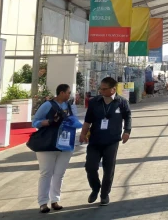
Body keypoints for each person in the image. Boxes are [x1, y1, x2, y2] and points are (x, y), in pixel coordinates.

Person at [80, 77, 132, 206]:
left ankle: (104, 195)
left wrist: (127, 131)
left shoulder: (122, 102)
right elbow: (87, 120)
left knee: (108, 169)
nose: (101, 91)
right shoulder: (94, 102)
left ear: (113, 89)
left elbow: (128, 116)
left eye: (104, 89)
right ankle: (95, 188)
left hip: (112, 141)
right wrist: (83, 133)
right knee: (90, 167)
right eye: (100, 88)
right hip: (95, 140)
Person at [31, 84, 74, 213]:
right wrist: (49, 122)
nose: (69, 95)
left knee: (59, 173)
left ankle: (55, 200)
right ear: (61, 93)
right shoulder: (47, 105)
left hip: (66, 143)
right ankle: (43, 202)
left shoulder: (70, 106)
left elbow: (75, 120)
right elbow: (35, 122)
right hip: (48, 143)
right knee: (46, 173)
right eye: (68, 92)